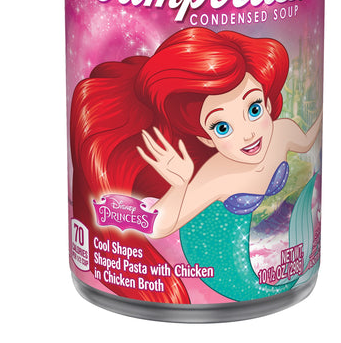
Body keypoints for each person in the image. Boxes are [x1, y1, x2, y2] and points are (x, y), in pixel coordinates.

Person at [71, 27, 322, 302]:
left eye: (254, 109)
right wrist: (180, 186)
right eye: (223, 127)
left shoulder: (282, 132)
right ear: (206, 138)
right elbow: (159, 225)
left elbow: (307, 140)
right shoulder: (214, 177)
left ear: (268, 105)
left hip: (270, 254)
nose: (248, 134)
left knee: (286, 279)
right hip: (222, 269)